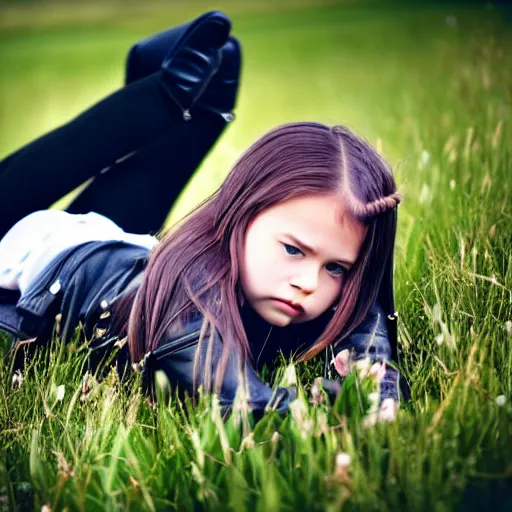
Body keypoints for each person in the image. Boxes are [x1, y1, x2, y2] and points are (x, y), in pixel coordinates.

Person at [0, 11, 407, 421]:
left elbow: (360, 305)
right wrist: (329, 415)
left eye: (335, 267)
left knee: (216, 78)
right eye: (293, 250)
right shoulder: (185, 305)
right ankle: (163, 94)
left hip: (118, 243)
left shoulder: (283, 281)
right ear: (240, 218)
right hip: (34, 248)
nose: (308, 284)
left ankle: (189, 94)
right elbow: (242, 406)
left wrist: (374, 373)